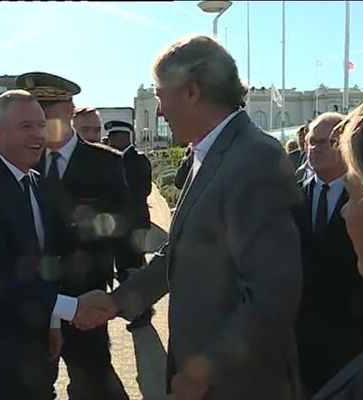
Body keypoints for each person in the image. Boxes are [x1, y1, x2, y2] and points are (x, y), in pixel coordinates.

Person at [75, 35, 304, 400]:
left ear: (192, 92)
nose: (160, 110)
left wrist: (205, 371)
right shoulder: (213, 152)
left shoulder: (254, 160)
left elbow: (272, 294)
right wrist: (120, 300)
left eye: (161, 94)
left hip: (240, 385)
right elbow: (183, 251)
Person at [0, 89, 87, 399]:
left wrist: (53, 322)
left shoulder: (40, 185)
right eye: (26, 126)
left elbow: (47, 262)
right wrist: (70, 308)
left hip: (39, 340)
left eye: (41, 126)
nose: (39, 135)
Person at [16, 71, 130, 400]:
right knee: (34, 386)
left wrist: (130, 281)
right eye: (36, 112)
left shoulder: (105, 162)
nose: (42, 120)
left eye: (49, 110)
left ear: (70, 110)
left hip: (85, 299)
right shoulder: (23, 159)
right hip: (36, 300)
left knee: (93, 384)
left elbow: (124, 226)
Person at [294, 113, 363, 397]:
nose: (314, 149)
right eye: (311, 142)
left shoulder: (360, 198)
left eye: (324, 143)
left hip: (350, 337)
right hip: (301, 338)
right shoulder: (293, 195)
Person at [105, 120, 154, 331]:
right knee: (124, 268)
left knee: (134, 269)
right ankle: (136, 307)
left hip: (134, 225)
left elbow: (142, 191)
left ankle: (141, 311)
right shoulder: (109, 160)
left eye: (112, 138)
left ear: (123, 138)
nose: (109, 142)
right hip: (118, 227)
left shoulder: (138, 160)